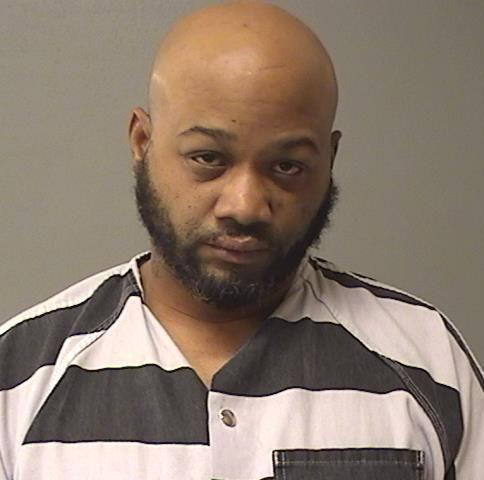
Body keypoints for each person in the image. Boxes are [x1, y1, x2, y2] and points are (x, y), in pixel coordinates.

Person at [0, 1, 482, 479]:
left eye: (287, 166)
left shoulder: (428, 361)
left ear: (329, 160)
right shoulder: (19, 376)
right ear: (142, 142)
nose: (246, 206)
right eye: (208, 158)